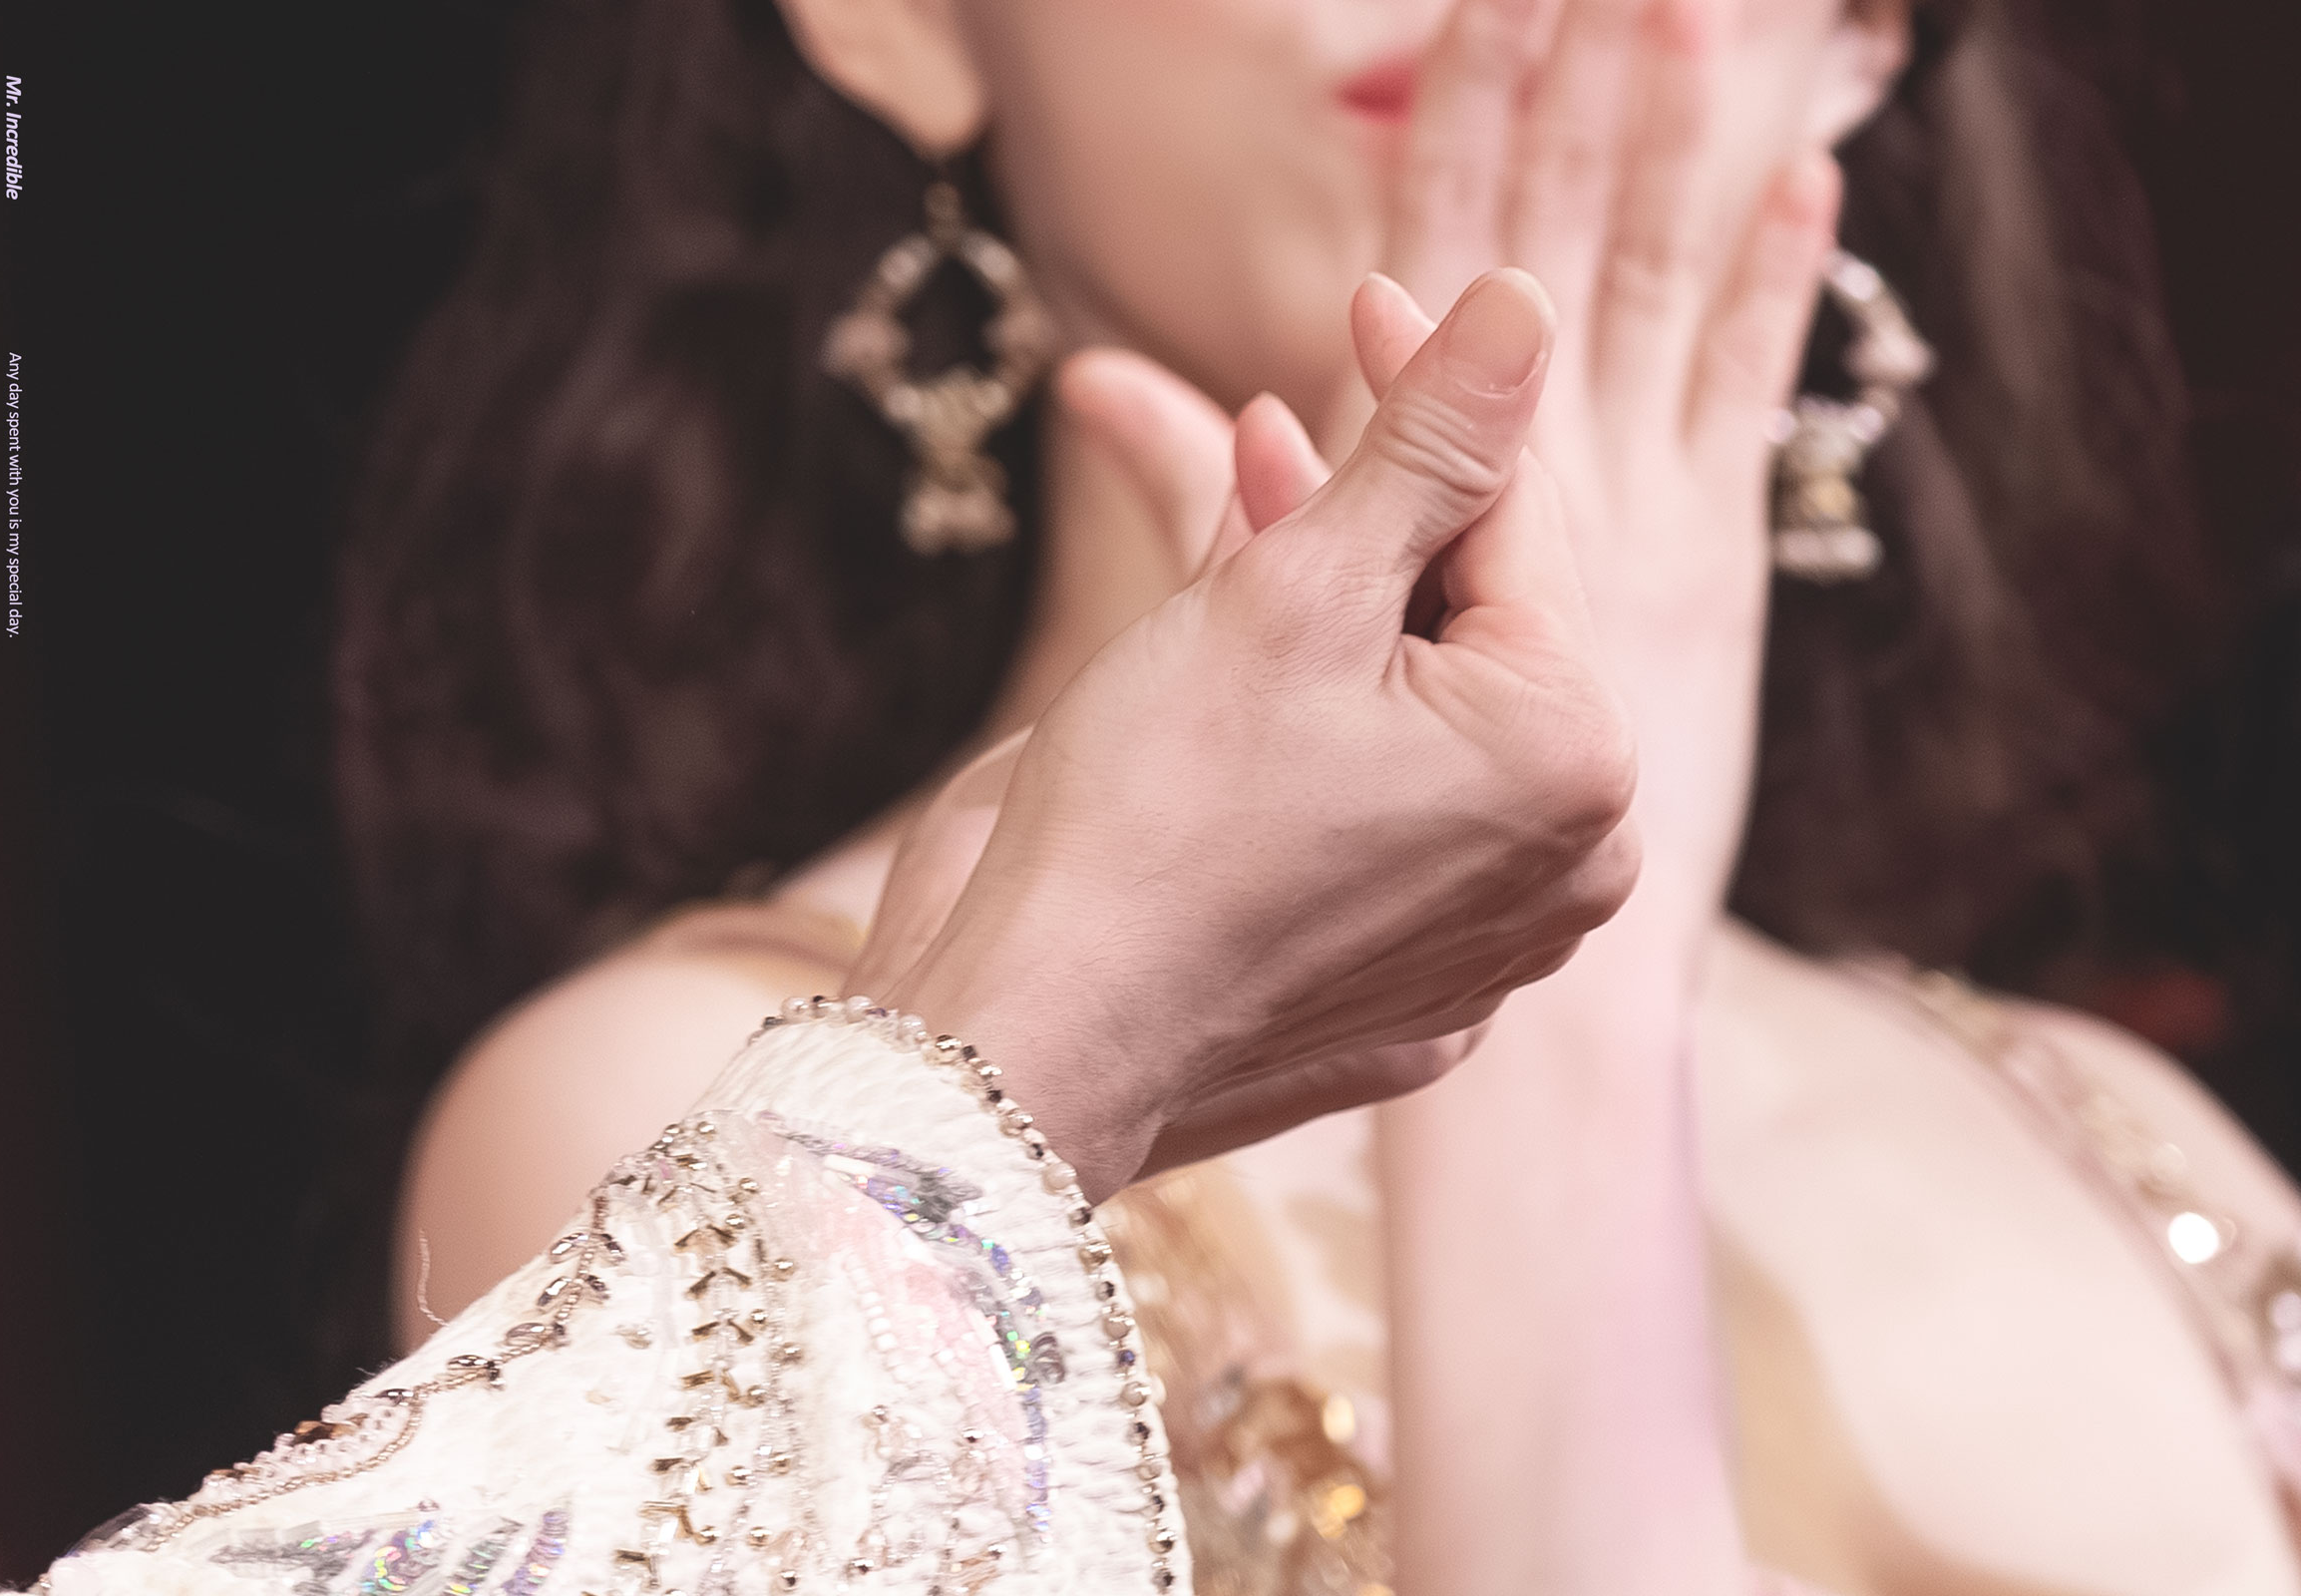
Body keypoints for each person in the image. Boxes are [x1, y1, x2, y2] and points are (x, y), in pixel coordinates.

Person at [237, 0, 2283, 1591]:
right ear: (902, 19)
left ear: (1861, 38)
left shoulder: (2129, 1146)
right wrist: (1553, 979)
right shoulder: (684, 1125)